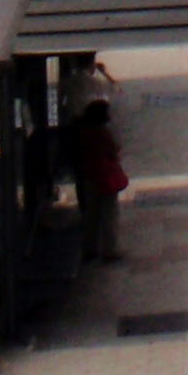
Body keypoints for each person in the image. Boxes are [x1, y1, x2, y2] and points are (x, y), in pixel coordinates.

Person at [70, 99, 126, 262]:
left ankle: (90, 248)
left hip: (89, 175)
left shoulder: (83, 132)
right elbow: (114, 150)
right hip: (106, 176)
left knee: (91, 214)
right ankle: (110, 249)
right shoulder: (103, 133)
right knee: (109, 212)